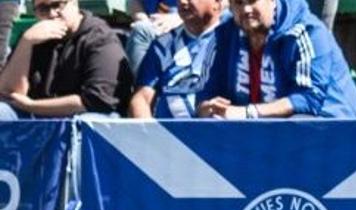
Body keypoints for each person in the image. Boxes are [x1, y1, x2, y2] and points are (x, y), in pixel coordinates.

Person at [196, 0, 356, 119]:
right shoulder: (223, 36)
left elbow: (308, 100)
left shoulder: (307, 31)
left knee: (299, 123)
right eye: (239, 2)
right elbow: (206, 94)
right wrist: (207, 109)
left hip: (337, 129)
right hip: (267, 134)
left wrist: (248, 113)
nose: (246, 9)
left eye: (253, 1)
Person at [0, 0, 131, 119]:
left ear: (74, 3)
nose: (51, 13)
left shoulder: (100, 39)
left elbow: (97, 100)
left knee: (85, 122)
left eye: (57, 5)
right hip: (38, 117)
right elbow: (8, 93)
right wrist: (25, 43)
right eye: (43, 8)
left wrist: (32, 105)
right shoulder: (34, 36)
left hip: (89, 116)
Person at [127, 0, 225, 119]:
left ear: (217, 3)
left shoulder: (231, 41)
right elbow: (142, 99)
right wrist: (149, 133)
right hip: (167, 133)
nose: (183, 2)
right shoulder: (163, 45)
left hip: (218, 129)